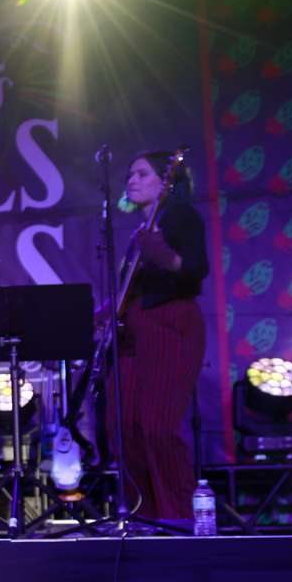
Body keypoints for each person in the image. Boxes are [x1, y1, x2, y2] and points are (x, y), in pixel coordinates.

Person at [111, 150, 208, 524]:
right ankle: (144, 515)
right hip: (137, 332)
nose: (131, 180)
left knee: (157, 425)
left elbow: (195, 270)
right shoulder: (138, 235)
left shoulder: (179, 217)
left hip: (170, 324)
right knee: (123, 427)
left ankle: (180, 516)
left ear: (164, 181)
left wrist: (162, 253)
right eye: (129, 175)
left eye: (141, 173)